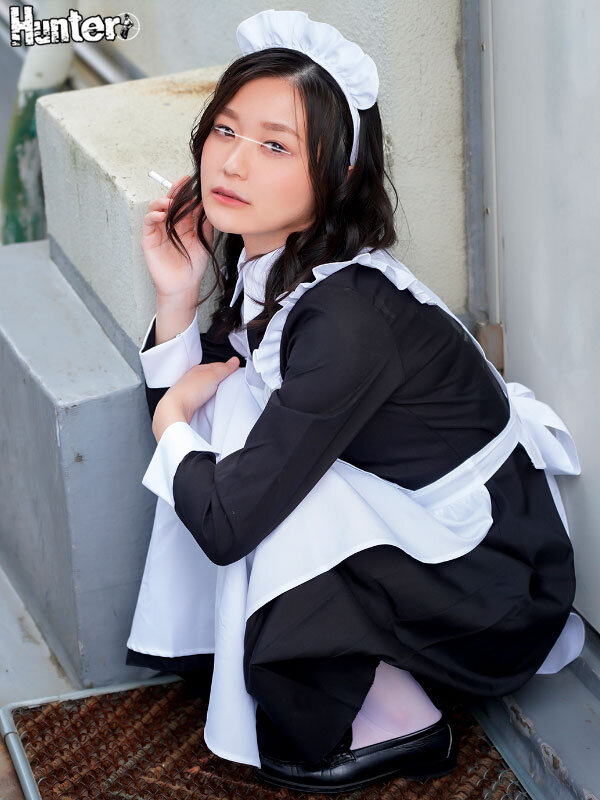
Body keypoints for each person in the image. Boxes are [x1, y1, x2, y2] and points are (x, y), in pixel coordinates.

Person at [125, 9, 584, 794]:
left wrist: (169, 420)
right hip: (437, 551)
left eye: (275, 146)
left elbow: (227, 521)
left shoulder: (347, 318)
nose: (232, 162)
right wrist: (177, 294)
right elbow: (211, 418)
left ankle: (400, 717)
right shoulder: (278, 267)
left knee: (252, 470)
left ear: (337, 175)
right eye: (225, 130)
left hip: (496, 592)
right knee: (233, 417)